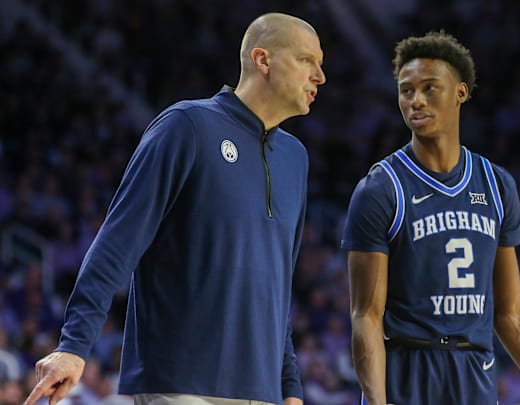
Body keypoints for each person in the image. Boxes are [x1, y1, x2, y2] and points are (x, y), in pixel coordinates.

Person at [24, 12, 326, 405]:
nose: (319, 76)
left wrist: (289, 385)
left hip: (262, 391)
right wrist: (74, 344)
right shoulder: (188, 126)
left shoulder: (295, 158)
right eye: (307, 61)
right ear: (262, 60)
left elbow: (278, 282)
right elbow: (117, 242)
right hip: (179, 382)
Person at [341, 31, 520, 405]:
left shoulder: (496, 185)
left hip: (475, 371)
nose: (416, 100)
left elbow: (512, 317)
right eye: (406, 91)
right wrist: (376, 402)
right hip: (409, 369)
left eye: (430, 88)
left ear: (461, 93)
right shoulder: (381, 189)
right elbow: (366, 316)